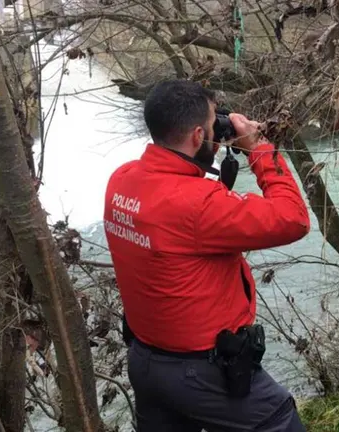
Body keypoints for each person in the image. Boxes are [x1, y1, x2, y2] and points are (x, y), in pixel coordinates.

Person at [103, 79, 310, 431]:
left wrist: (209, 149)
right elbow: (293, 219)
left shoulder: (121, 180)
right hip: (201, 374)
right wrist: (258, 147)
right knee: (280, 421)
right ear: (198, 135)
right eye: (215, 125)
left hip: (145, 363)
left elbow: (183, 214)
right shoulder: (198, 205)